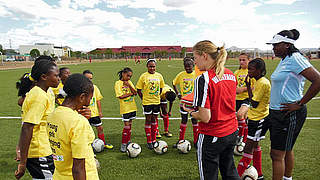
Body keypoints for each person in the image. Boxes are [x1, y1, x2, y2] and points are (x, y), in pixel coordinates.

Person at [266, 29, 320, 180]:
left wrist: (300, 103)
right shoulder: (285, 59)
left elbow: (318, 80)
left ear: (287, 45)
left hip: (289, 113)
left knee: (277, 154)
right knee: (286, 149)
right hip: (278, 111)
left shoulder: (296, 58)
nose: (273, 48)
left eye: (276, 45)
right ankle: (287, 178)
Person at [184, 40, 240, 180]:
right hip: (232, 131)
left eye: (195, 58)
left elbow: (205, 117)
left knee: (209, 176)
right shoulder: (230, 74)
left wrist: (189, 110)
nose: (194, 62)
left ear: (204, 56)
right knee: (230, 172)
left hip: (212, 134)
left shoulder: (203, 79)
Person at [47, 73, 99, 180]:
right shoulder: (78, 122)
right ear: (82, 97)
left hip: (60, 175)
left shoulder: (53, 115)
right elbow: (78, 167)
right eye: (89, 98)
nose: (89, 103)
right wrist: (81, 120)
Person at [14, 59, 60, 179]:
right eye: (56, 76)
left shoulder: (40, 93)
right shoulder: (39, 97)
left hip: (43, 149)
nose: (58, 78)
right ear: (44, 77)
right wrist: (23, 162)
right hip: (39, 151)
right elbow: (27, 127)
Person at [237, 58, 271, 180]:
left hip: (259, 119)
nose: (248, 71)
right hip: (254, 117)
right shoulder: (257, 80)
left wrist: (247, 87)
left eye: (251, 69)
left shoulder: (262, 82)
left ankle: (236, 174)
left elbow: (254, 103)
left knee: (248, 148)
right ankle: (259, 174)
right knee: (255, 146)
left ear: (259, 70)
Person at [136, 59, 165, 149]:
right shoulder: (143, 76)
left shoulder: (159, 76)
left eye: (153, 66)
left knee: (154, 120)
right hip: (147, 102)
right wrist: (143, 98)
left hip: (156, 102)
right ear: (147, 67)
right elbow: (138, 90)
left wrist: (157, 96)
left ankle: (154, 140)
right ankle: (149, 141)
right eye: (150, 66)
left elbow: (160, 88)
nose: (152, 68)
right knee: (148, 120)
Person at [83, 70, 113, 149]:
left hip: (94, 113)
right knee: (86, 131)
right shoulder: (80, 88)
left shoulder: (94, 87)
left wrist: (100, 111)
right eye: (87, 78)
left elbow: (98, 100)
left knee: (100, 128)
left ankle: (102, 143)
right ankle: (86, 146)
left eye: (91, 78)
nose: (89, 80)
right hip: (85, 114)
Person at [172, 57, 198, 148]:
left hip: (194, 103)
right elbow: (174, 83)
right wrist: (178, 93)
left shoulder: (197, 75)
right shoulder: (181, 75)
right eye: (186, 66)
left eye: (189, 66)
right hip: (184, 102)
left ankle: (196, 141)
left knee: (194, 120)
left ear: (193, 66)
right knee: (184, 120)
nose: (187, 68)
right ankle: (180, 140)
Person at [114, 67, 138, 152]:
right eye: (127, 75)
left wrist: (129, 85)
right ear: (123, 74)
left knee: (130, 126)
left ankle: (128, 141)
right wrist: (130, 93)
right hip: (125, 108)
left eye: (130, 76)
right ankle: (123, 144)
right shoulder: (118, 83)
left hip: (132, 107)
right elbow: (120, 96)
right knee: (126, 126)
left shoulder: (129, 82)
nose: (129, 78)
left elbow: (135, 93)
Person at [234, 53, 255, 145]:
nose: (241, 62)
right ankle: (245, 140)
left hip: (247, 98)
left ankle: (240, 136)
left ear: (248, 61)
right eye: (240, 60)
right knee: (243, 119)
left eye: (244, 60)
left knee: (239, 115)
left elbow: (254, 87)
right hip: (236, 99)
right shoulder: (236, 73)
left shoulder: (251, 72)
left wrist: (242, 89)